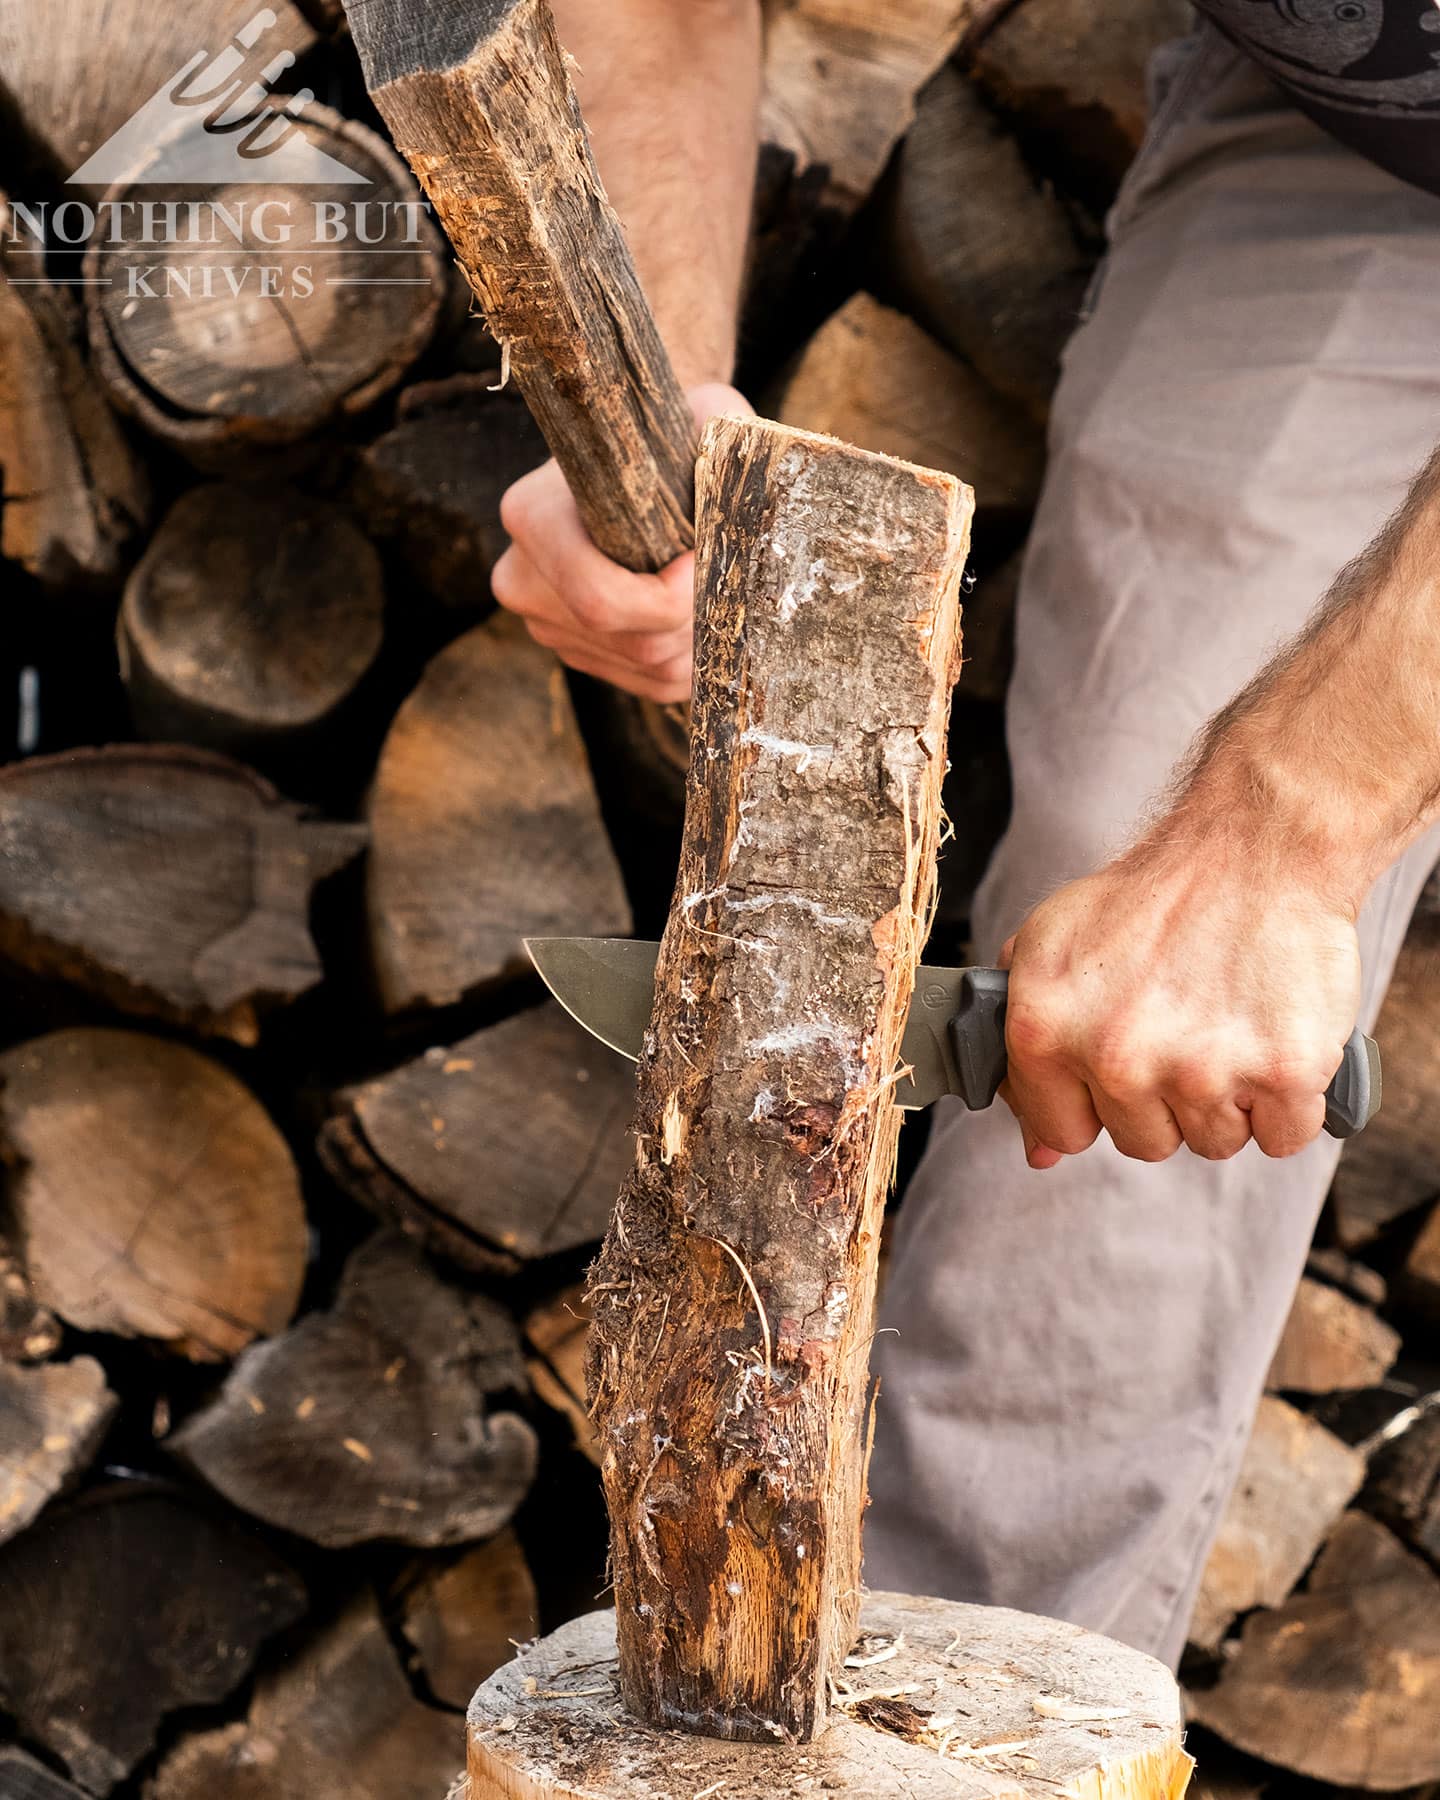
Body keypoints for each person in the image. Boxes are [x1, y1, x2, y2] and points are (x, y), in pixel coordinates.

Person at [492, 0, 1440, 1666]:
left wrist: (1283, 831)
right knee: (1119, 976)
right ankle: (948, 1716)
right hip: (1365, 145)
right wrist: (642, 401)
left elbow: (1263, 851)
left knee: (1212, 918)